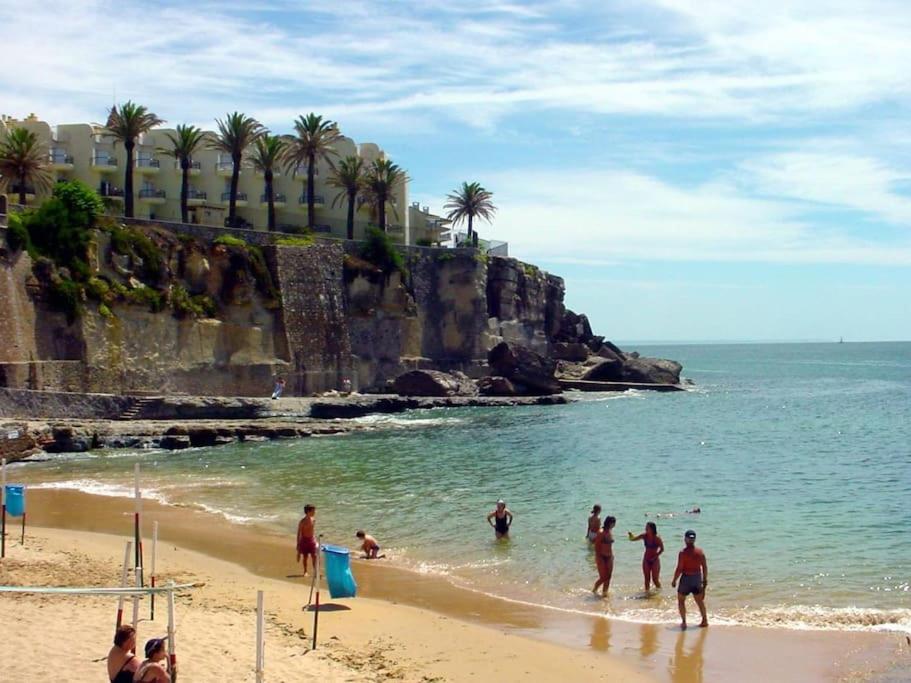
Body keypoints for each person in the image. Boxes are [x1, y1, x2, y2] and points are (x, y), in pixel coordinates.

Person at [671, 529, 708, 629]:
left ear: (685, 539)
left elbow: (679, 568)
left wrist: (674, 580)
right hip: (696, 578)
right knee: (699, 601)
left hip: (686, 578)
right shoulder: (700, 552)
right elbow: (704, 567)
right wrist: (704, 580)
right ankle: (704, 620)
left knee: (681, 600)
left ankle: (684, 622)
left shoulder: (683, 553)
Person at [628, 522, 664, 591]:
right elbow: (633, 539)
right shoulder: (644, 536)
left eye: (647, 527)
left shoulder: (657, 538)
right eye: (646, 527)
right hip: (646, 560)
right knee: (647, 579)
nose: (645, 528)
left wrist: (655, 557)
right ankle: (647, 593)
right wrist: (630, 535)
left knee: (655, 579)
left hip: (655, 560)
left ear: (652, 529)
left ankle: (659, 592)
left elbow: (662, 549)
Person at [592, 515, 616, 597]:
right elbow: (596, 546)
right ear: (610, 523)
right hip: (601, 557)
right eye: (614, 523)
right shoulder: (601, 532)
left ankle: (605, 593)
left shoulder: (610, 531)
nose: (614, 525)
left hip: (609, 556)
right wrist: (598, 558)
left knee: (608, 576)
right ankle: (594, 589)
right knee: (603, 577)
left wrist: (612, 556)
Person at [297, 504, 317, 575]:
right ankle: (305, 571)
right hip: (304, 540)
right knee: (305, 557)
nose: (314, 512)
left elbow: (313, 531)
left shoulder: (313, 520)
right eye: (313, 511)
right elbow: (299, 533)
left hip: (312, 540)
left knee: (314, 556)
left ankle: (315, 571)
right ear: (308, 512)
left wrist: (315, 540)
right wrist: (298, 546)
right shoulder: (302, 522)